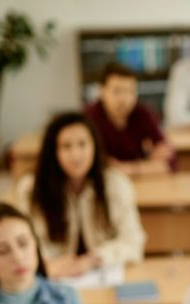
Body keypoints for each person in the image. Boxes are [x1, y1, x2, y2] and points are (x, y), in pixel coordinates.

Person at [11, 112, 146, 279]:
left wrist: (94, 259)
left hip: (101, 275)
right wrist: (48, 265)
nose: (76, 155)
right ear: (53, 152)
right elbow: (21, 242)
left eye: (82, 144)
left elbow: (133, 241)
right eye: (66, 146)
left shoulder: (116, 184)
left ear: (95, 146)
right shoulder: (30, 189)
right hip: (50, 276)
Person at [85, 62, 175, 176]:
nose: (124, 99)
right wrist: (147, 164)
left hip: (143, 186)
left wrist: (126, 168)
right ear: (101, 91)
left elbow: (169, 162)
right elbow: (94, 166)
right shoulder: (89, 118)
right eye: (117, 91)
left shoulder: (143, 114)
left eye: (130, 91)